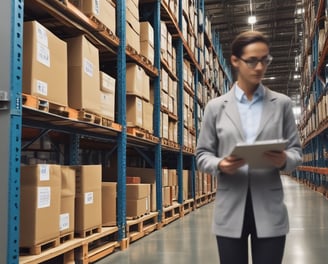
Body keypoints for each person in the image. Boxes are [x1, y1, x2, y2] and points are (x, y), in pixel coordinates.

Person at [195, 30, 302, 264]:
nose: (260, 67)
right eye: (252, 61)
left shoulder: (281, 104)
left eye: (265, 60)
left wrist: (283, 159)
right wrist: (220, 164)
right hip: (230, 209)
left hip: (270, 208)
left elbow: (296, 153)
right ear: (235, 61)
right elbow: (202, 155)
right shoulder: (216, 107)